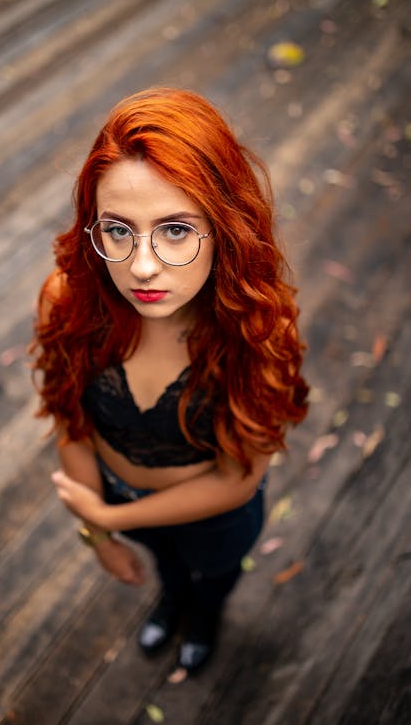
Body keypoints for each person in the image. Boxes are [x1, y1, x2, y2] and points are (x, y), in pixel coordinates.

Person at [31, 87, 308, 678]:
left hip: (214, 517)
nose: (143, 265)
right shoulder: (70, 302)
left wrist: (110, 522)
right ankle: (173, 600)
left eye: (177, 230)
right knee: (171, 571)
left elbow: (240, 478)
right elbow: (70, 421)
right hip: (116, 494)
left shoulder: (257, 326)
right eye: (119, 230)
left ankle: (204, 618)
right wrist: (101, 535)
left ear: (224, 226)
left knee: (214, 576)